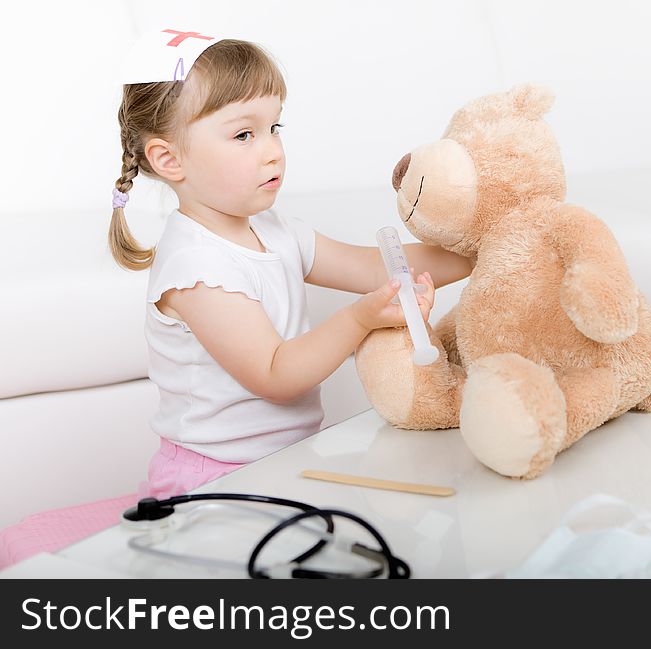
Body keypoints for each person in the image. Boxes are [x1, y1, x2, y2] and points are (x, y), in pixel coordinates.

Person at [0, 31, 471, 569]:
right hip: (212, 483)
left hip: (285, 466)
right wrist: (361, 318)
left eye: (274, 127)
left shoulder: (276, 230)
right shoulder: (194, 268)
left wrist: (484, 249)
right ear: (169, 159)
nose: (272, 148)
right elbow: (274, 374)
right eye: (243, 134)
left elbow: (376, 264)